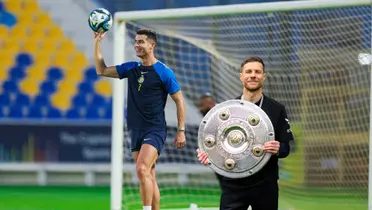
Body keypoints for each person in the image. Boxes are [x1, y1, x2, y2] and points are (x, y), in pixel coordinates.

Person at [94, 28, 186, 210]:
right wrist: (97, 41)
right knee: (149, 174)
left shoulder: (164, 72)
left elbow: (179, 101)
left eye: (141, 42)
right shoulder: (132, 68)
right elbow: (101, 70)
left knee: (142, 168)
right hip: (135, 128)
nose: (136, 45)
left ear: (152, 45)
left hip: (155, 129)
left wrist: (181, 130)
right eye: (135, 42)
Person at [196, 56, 294, 210]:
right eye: (248, 71)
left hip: (265, 185)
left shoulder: (276, 109)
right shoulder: (227, 110)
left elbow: (286, 148)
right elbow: (216, 146)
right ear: (241, 76)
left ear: (264, 76)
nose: (253, 75)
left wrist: (278, 149)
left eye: (257, 72)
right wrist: (208, 156)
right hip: (233, 185)